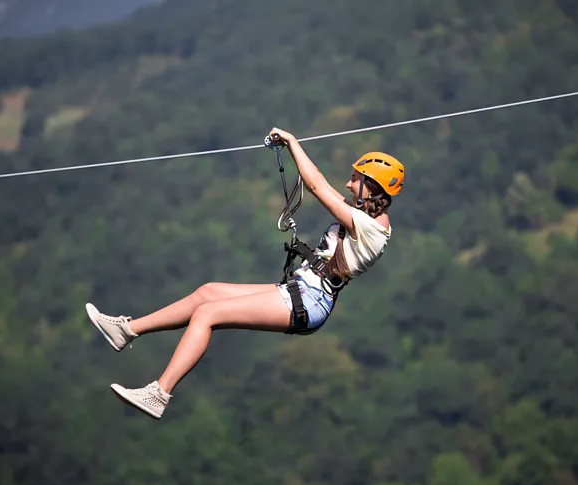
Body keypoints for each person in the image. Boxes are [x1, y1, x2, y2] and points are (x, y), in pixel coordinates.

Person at [85, 127, 405, 419]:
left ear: (371, 187)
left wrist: (292, 142)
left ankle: (159, 394)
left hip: (309, 302)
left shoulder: (370, 229)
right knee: (208, 292)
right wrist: (294, 146)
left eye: (354, 178)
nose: (348, 183)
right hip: (301, 290)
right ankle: (127, 331)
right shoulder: (361, 215)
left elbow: (315, 185)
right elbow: (319, 179)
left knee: (208, 313)